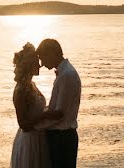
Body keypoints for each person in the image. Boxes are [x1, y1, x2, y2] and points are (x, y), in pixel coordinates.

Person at [36, 38, 81, 168]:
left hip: (62, 138)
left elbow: (59, 113)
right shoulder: (65, 72)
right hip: (62, 136)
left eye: (42, 57)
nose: (42, 63)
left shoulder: (67, 75)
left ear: (51, 53)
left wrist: (36, 119)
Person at [10, 43, 51, 168]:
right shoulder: (21, 90)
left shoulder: (31, 84)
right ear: (29, 65)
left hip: (38, 138)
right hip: (29, 142)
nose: (39, 65)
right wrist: (45, 116)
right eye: (36, 62)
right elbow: (23, 124)